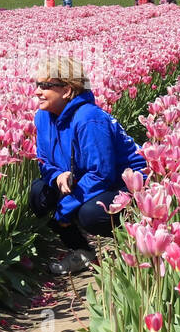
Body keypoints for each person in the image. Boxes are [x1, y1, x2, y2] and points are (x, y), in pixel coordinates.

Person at [29, 55, 147, 273]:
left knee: (90, 213)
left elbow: (103, 174)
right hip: (89, 179)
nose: (37, 91)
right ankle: (82, 252)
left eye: (46, 86)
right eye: (37, 85)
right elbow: (44, 160)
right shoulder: (43, 117)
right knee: (40, 194)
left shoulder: (89, 119)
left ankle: (137, 246)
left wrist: (65, 208)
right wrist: (57, 176)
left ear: (67, 90)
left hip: (128, 185)